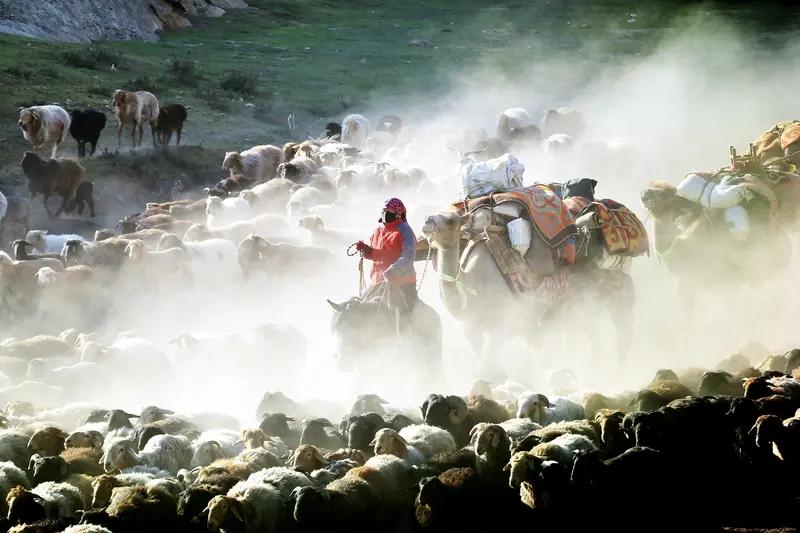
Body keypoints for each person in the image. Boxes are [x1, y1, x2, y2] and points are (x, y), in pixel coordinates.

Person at [356, 198, 417, 311]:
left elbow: (408, 257)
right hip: (377, 282)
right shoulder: (378, 231)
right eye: (384, 211)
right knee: (358, 308)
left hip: (401, 283)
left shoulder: (405, 231)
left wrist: (392, 270)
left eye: (389, 212)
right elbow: (377, 254)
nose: (385, 215)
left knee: (402, 314)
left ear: (398, 214)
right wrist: (366, 250)